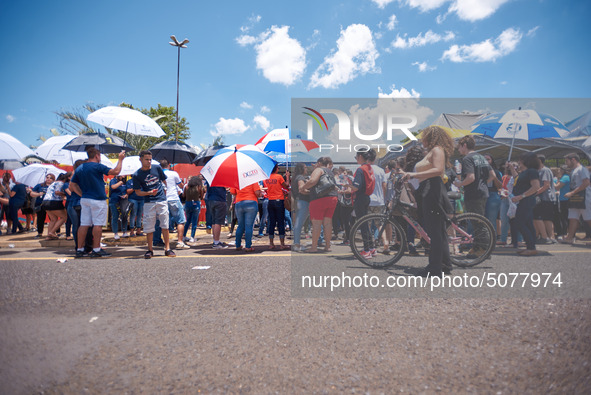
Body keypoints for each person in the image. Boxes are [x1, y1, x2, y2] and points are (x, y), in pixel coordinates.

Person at [400, 126, 454, 277]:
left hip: (432, 189)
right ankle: (444, 265)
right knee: (438, 231)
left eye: (423, 136)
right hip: (428, 188)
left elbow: (438, 170)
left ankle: (434, 268)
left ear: (430, 136)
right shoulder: (431, 151)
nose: (421, 139)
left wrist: (413, 174)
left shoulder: (437, 150)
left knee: (435, 232)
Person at [70, 147, 125, 258]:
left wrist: (82, 194)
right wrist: (120, 159)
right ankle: (96, 250)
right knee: (97, 225)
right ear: (97, 156)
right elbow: (116, 172)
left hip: (85, 199)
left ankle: (80, 250)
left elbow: (72, 185)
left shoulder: (80, 167)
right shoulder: (97, 166)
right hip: (98, 199)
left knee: (84, 224)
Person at [132, 151, 175, 258]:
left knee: (165, 224)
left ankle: (168, 248)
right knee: (149, 227)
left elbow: (164, 181)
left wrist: (164, 191)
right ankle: (150, 250)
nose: (149, 161)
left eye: (150, 159)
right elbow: (137, 192)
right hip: (148, 202)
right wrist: (149, 193)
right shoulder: (137, 174)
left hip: (161, 200)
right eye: (146, 159)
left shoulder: (157, 168)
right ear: (140, 159)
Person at [454, 135, 498, 216]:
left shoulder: (467, 158)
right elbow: (493, 175)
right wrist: (483, 183)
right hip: (483, 192)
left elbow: (471, 177)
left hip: (473, 194)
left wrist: (459, 184)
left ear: (464, 145)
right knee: (480, 220)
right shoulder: (482, 157)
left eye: (459, 147)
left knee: (476, 223)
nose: (458, 149)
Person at [343, 151, 376, 259]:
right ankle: (371, 248)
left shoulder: (360, 169)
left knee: (362, 224)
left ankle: (366, 250)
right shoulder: (369, 168)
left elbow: (356, 187)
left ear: (360, 156)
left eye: (356, 157)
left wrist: (348, 184)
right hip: (367, 197)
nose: (356, 159)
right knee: (365, 223)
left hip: (360, 197)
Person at [302, 157, 338, 253]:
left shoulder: (318, 170)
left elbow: (312, 181)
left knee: (317, 224)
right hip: (332, 198)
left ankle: (314, 247)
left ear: (318, 163)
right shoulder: (330, 172)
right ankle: (327, 246)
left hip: (319, 199)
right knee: (327, 223)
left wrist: (303, 187)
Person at [510, 152, 541, 256]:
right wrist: (511, 168)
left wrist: (521, 196)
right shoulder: (525, 172)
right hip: (524, 200)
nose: (519, 161)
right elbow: (518, 179)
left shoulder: (532, 171)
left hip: (527, 200)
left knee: (519, 223)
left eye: (520, 159)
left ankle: (531, 247)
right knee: (528, 224)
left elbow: (536, 186)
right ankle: (531, 246)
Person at [559, 153, 591, 244]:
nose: (566, 163)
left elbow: (586, 183)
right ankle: (570, 237)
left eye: (567, 161)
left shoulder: (582, 169)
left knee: (588, 218)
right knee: (573, 217)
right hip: (575, 197)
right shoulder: (574, 171)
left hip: (584, 198)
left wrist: (572, 193)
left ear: (573, 159)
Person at [160, 159, 189, 249]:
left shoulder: (158, 174)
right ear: (169, 165)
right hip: (173, 199)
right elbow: (181, 185)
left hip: (162, 200)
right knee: (180, 220)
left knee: (161, 222)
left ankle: (157, 241)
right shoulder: (174, 174)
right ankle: (180, 242)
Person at [229, 182, 262, 252]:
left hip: (239, 203)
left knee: (240, 225)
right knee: (249, 226)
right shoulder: (252, 179)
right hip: (251, 202)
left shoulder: (237, 179)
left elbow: (232, 192)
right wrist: (260, 192)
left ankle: (237, 245)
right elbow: (257, 193)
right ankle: (248, 246)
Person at [264, 164, 290, 250]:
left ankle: (271, 243)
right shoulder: (279, 177)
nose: (278, 169)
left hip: (270, 201)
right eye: (278, 168)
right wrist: (287, 177)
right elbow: (286, 186)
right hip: (279, 200)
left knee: (272, 222)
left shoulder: (266, 178)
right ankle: (282, 243)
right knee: (280, 222)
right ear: (275, 169)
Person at [533, 155, 557, 244]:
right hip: (545, 198)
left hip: (545, 198)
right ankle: (550, 237)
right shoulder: (539, 170)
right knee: (547, 219)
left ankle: (546, 237)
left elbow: (546, 185)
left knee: (540, 218)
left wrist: (534, 193)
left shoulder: (544, 170)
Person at [42, 172, 68, 239]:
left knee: (53, 219)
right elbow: (57, 192)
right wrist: (65, 194)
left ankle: (49, 236)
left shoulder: (53, 183)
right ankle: (52, 232)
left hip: (45, 202)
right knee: (64, 217)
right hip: (54, 202)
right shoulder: (60, 183)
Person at [292, 162, 311, 252]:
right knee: (299, 224)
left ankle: (296, 243)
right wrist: (311, 192)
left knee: (298, 223)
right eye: (305, 168)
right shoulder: (300, 178)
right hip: (303, 201)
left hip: (299, 201)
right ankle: (296, 244)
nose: (306, 169)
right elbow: (301, 189)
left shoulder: (296, 177)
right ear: (301, 169)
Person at [204, 182, 229, 249]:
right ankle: (216, 242)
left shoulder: (210, 177)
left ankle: (215, 240)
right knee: (218, 222)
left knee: (214, 221)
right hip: (219, 199)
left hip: (211, 199)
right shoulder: (222, 179)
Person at [30, 173, 55, 238]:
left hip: (51, 204)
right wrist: (38, 194)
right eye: (47, 177)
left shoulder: (54, 186)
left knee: (53, 218)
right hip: (40, 204)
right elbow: (32, 193)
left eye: (50, 178)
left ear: (53, 179)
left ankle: (55, 232)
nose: (48, 179)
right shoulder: (40, 185)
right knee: (40, 219)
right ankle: (40, 233)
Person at [484, 154, 503, 236]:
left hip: (492, 195)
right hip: (481, 195)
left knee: (491, 219)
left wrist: (494, 176)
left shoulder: (496, 172)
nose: (486, 161)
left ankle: (492, 239)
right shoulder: (478, 171)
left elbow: (500, 186)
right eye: (484, 159)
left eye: (488, 159)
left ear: (492, 161)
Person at [183, 176, 204, 243]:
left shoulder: (186, 187)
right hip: (196, 203)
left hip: (188, 204)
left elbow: (184, 195)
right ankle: (192, 237)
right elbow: (202, 196)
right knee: (194, 222)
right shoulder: (198, 187)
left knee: (188, 221)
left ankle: (183, 236)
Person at [109, 175, 129, 240]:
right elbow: (113, 187)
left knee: (124, 216)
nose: (123, 176)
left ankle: (125, 232)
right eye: (122, 175)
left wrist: (126, 195)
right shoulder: (113, 180)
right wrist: (119, 183)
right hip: (114, 201)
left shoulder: (125, 182)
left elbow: (127, 190)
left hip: (123, 201)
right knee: (115, 217)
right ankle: (115, 233)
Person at [554, 165, 571, 237]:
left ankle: (565, 233)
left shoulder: (565, 177)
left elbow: (557, 187)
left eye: (560, 170)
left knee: (564, 217)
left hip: (565, 199)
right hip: (564, 199)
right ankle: (566, 233)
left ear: (563, 170)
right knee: (564, 216)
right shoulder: (566, 177)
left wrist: (551, 181)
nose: (558, 171)